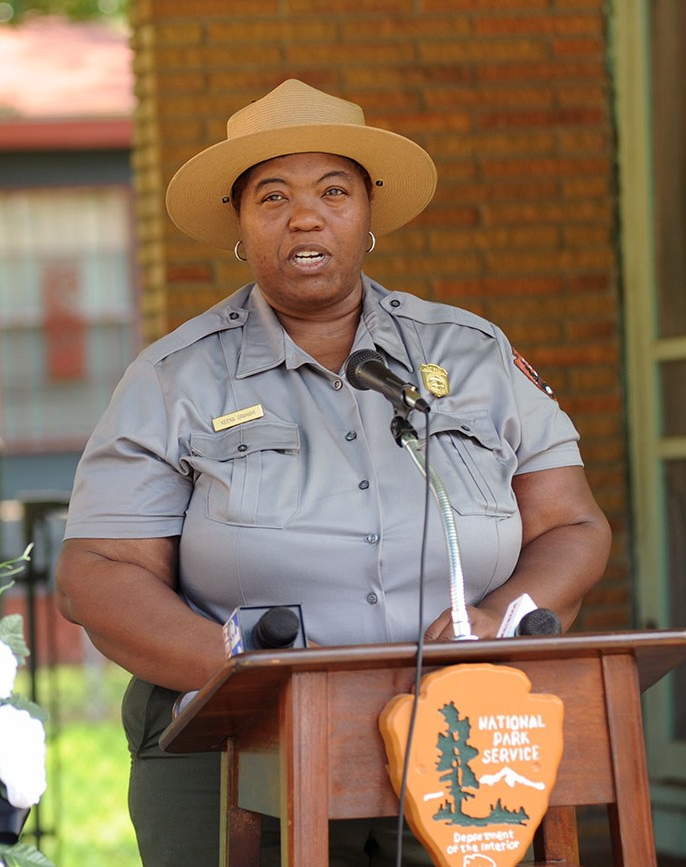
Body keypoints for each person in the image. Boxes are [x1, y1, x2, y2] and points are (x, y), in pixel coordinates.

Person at [53, 79, 611, 866]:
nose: (305, 216)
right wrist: (239, 669)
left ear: (368, 211)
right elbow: (97, 572)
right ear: (240, 223)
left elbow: (570, 524)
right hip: (239, 753)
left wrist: (500, 614)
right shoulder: (173, 379)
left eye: (333, 191)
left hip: (463, 740)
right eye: (272, 196)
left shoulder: (471, 354)